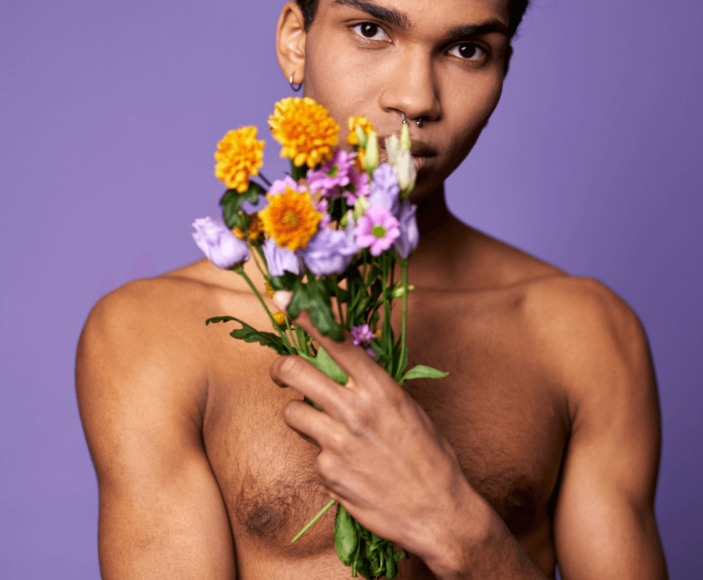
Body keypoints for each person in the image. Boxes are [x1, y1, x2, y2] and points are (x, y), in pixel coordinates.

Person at [75, 0, 669, 578]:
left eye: (467, 50)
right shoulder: (150, 335)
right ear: (295, 40)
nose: (415, 98)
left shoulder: (587, 333)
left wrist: (457, 527)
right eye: (370, 30)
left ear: (503, 69)